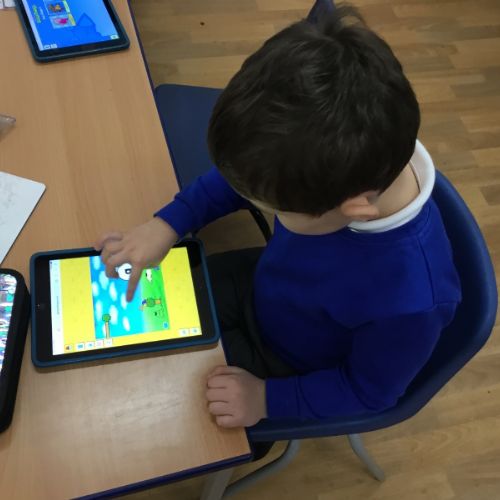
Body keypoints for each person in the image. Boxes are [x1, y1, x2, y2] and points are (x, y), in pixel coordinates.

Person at [96, 5, 461, 430]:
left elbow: (369, 392)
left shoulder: (412, 301)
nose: (256, 204)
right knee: (121, 335)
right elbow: (248, 177)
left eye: (273, 209)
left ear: (354, 206)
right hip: (262, 288)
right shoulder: (327, 166)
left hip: (288, 368)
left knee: (152, 409)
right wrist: (168, 223)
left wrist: (267, 399)